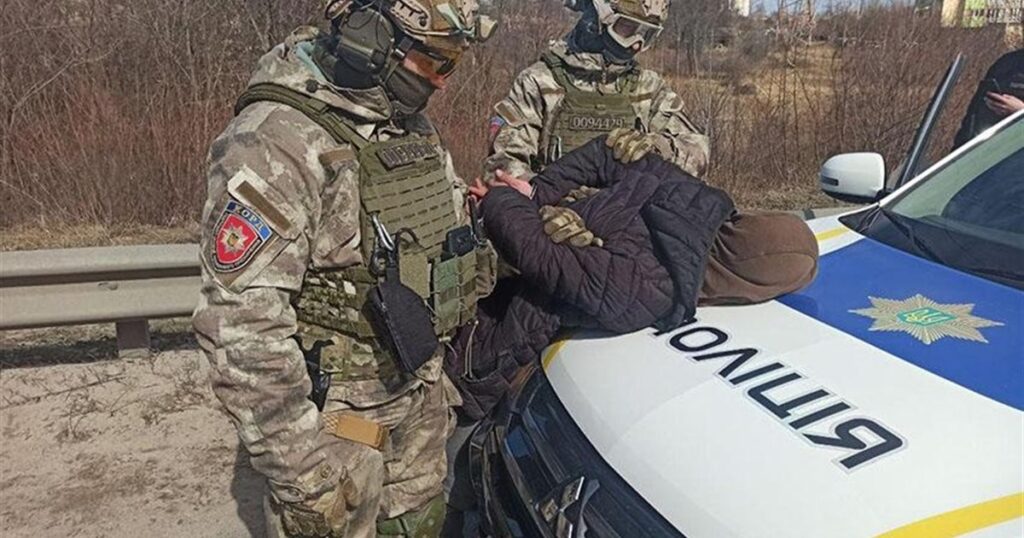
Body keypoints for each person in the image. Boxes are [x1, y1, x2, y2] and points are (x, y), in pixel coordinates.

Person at [191, 1, 496, 536]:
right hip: (336, 424)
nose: (443, 81)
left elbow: (438, 243)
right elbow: (242, 329)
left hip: (418, 399)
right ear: (372, 39)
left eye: (452, 63)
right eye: (435, 61)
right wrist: (303, 473)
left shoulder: (405, 126)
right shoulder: (276, 141)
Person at [441, 137, 819, 534]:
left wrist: (535, 193)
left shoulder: (691, 195)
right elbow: (536, 251)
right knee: (453, 479)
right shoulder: (651, 289)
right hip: (486, 340)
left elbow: (608, 153)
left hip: (479, 297)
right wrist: (515, 199)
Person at [485, 0, 710, 181]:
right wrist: (543, 200)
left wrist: (659, 147)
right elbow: (502, 168)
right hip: (553, 214)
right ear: (596, 22)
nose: (637, 44)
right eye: (628, 28)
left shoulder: (648, 88)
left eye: (646, 34)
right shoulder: (540, 82)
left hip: (627, 214)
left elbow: (699, 151)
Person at [953, 48, 1023, 149]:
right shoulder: (1008, 63)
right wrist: (959, 150)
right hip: (985, 148)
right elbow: (973, 114)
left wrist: (1020, 112)